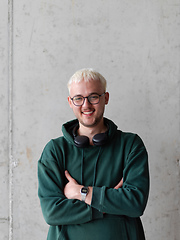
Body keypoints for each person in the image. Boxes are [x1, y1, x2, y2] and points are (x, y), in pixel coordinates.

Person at [38, 68, 150, 240]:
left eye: (93, 97)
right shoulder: (54, 151)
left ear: (106, 98)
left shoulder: (131, 145)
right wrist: (108, 202)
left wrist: (81, 193)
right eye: (78, 98)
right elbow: (52, 212)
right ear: (70, 101)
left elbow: (134, 204)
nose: (86, 105)